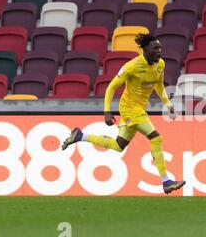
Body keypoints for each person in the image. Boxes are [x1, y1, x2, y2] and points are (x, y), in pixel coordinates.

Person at [62, 33, 186, 194]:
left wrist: (168, 104)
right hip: (129, 108)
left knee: (118, 145)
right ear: (145, 50)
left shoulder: (160, 64)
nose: (159, 51)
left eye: (160, 48)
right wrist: (107, 111)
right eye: (155, 48)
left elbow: (159, 85)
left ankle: (80, 136)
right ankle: (166, 181)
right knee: (156, 138)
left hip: (139, 108)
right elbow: (111, 87)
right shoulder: (131, 66)